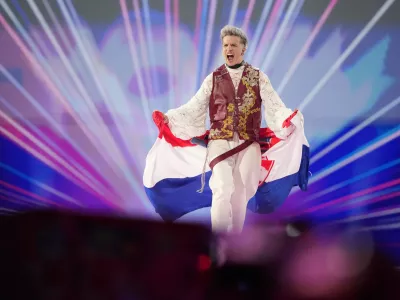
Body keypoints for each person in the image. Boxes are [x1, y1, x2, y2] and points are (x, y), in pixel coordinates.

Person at [154, 25, 305, 233]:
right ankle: (217, 240)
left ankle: (234, 239)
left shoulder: (259, 77)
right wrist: (170, 118)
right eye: (225, 45)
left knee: (244, 190)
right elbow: (194, 107)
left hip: (248, 141)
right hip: (220, 140)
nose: (228, 49)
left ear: (243, 50)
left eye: (233, 45)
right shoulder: (213, 79)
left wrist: (287, 119)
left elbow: (275, 106)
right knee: (222, 186)